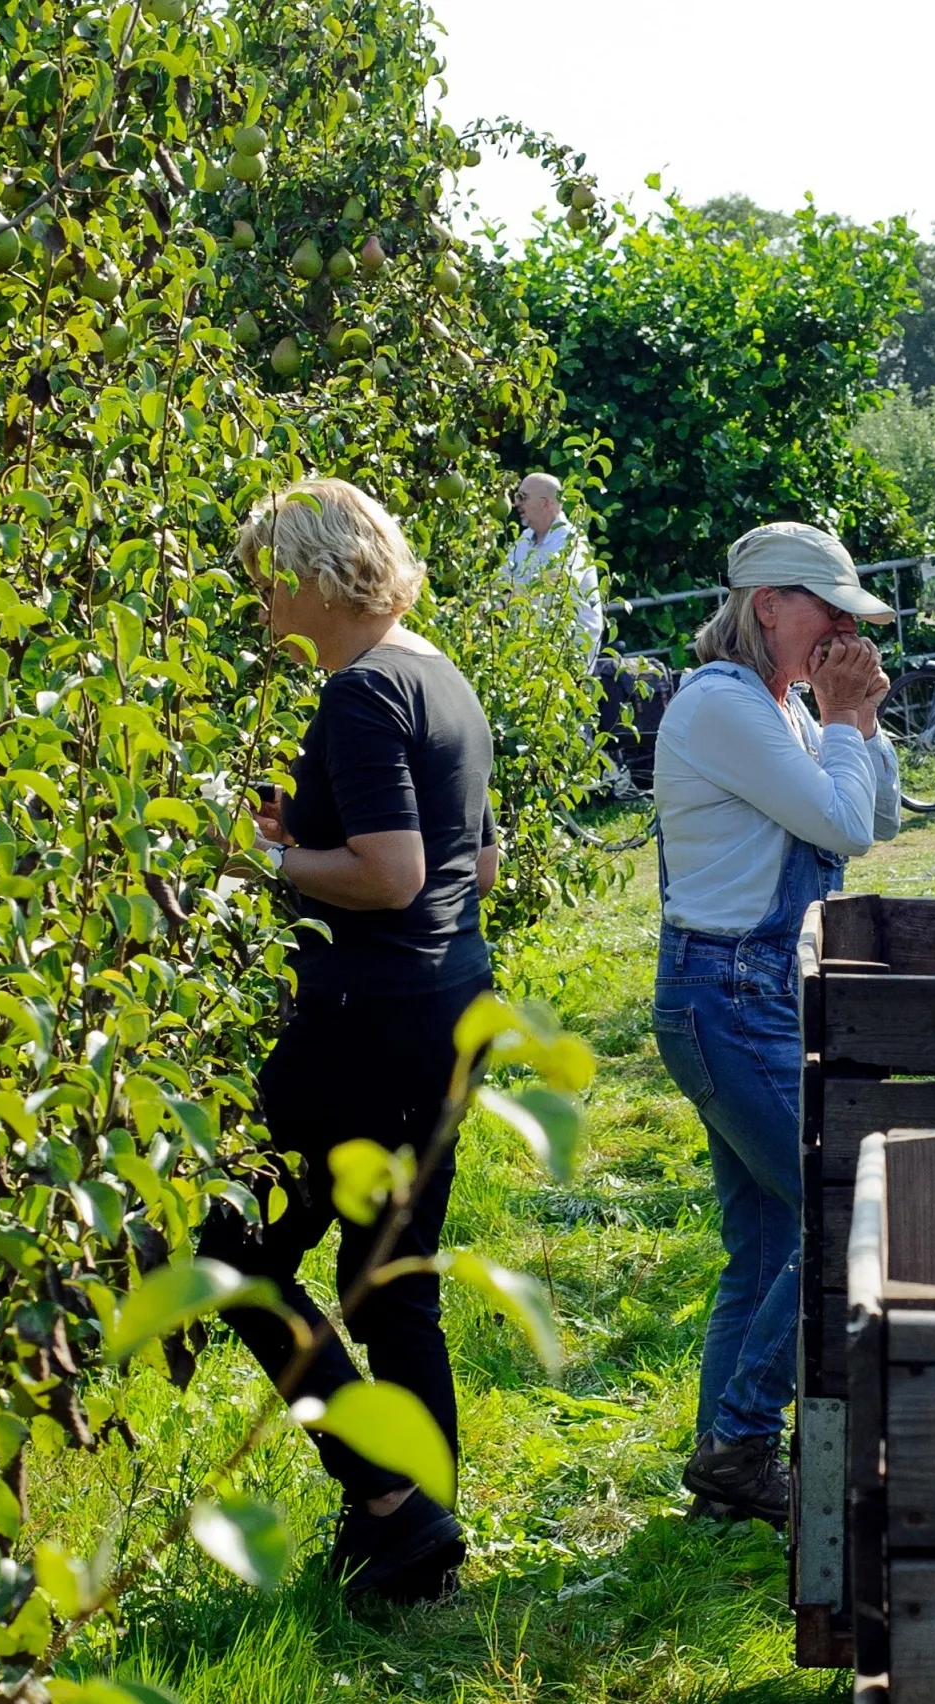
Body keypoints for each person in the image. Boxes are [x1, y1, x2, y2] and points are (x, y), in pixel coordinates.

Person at [197, 478, 501, 1606]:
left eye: (266, 573)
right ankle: (416, 1545)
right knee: (391, 1288)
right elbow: (476, 858)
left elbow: (390, 873)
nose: (256, 596)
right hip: (448, 1005)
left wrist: (257, 857)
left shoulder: (360, 693)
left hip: (365, 1019)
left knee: (226, 1249)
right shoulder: (436, 675)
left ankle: (389, 1495)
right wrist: (310, 827)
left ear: (317, 574)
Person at [652, 521, 900, 1527]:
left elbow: (875, 819)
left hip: (749, 993)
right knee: (826, 1211)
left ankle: (723, 1477)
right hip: (727, 995)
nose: (842, 630)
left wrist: (863, 724)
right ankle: (744, 1443)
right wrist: (840, 724)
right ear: (767, 606)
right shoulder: (721, 706)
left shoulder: (785, 709)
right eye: (826, 610)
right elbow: (839, 825)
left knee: (760, 1247)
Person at [502, 471, 604, 658]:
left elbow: (559, 578)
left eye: (522, 497)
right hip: (530, 648)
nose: (516, 503)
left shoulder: (571, 539)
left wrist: (508, 600)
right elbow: (501, 581)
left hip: (568, 651)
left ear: (546, 503)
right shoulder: (524, 540)